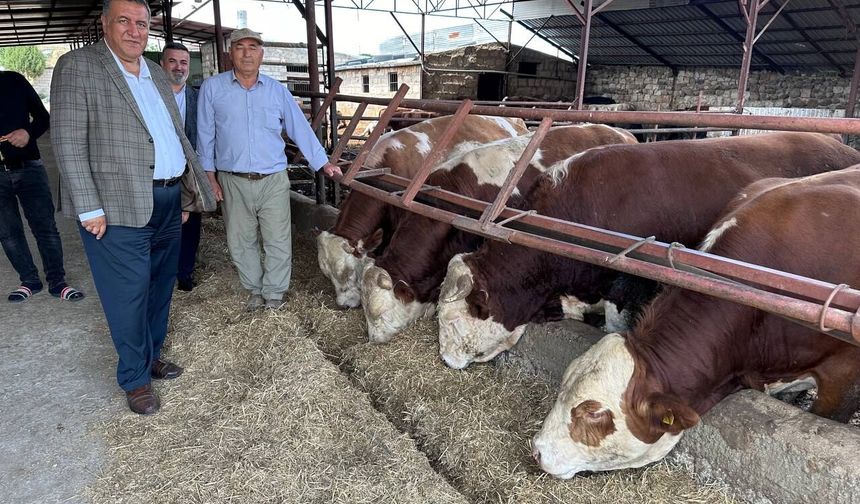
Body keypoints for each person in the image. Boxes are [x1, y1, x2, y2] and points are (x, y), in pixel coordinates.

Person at [50, 0, 215, 415]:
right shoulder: (79, 66)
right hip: (115, 204)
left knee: (160, 286)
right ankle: (135, 378)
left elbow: (172, 135)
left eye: (141, 23)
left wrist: (183, 193)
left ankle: (151, 355)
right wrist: (88, 207)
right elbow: (67, 141)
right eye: (123, 21)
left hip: (166, 199)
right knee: (128, 294)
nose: (134, 30)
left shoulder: (156, 72)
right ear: (105, 24)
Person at [197, 28, 342, 311]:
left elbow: (299, 128)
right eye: (240, 47)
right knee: (240, 240)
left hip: (273, 179)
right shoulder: (212, 89)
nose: (247, 53)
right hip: (232, 179)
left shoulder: (277, 91)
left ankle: (274, 294)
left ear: (261, 54)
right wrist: (209, 177)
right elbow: (205, 135)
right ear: (231, 53)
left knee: (277, 239)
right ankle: (254, 290)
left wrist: (322, 163)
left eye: (253, 47)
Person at [1, 71, 85, 304]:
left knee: (45, 227)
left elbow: (42, 117)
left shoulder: (13, 81)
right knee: (7, 232)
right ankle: (29, 280)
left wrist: (28, 132)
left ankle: (58, 281)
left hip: (28, 167)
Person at [161, 42, 201, 292]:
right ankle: (164, 271)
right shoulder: (151, 94)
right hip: (161, 168)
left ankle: (185, 271)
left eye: (183, 62)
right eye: (173, 61)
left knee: (191, 223)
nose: (179, 67)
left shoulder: (197, 97)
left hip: (190, 170)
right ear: (163, 65)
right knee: (164, 221)